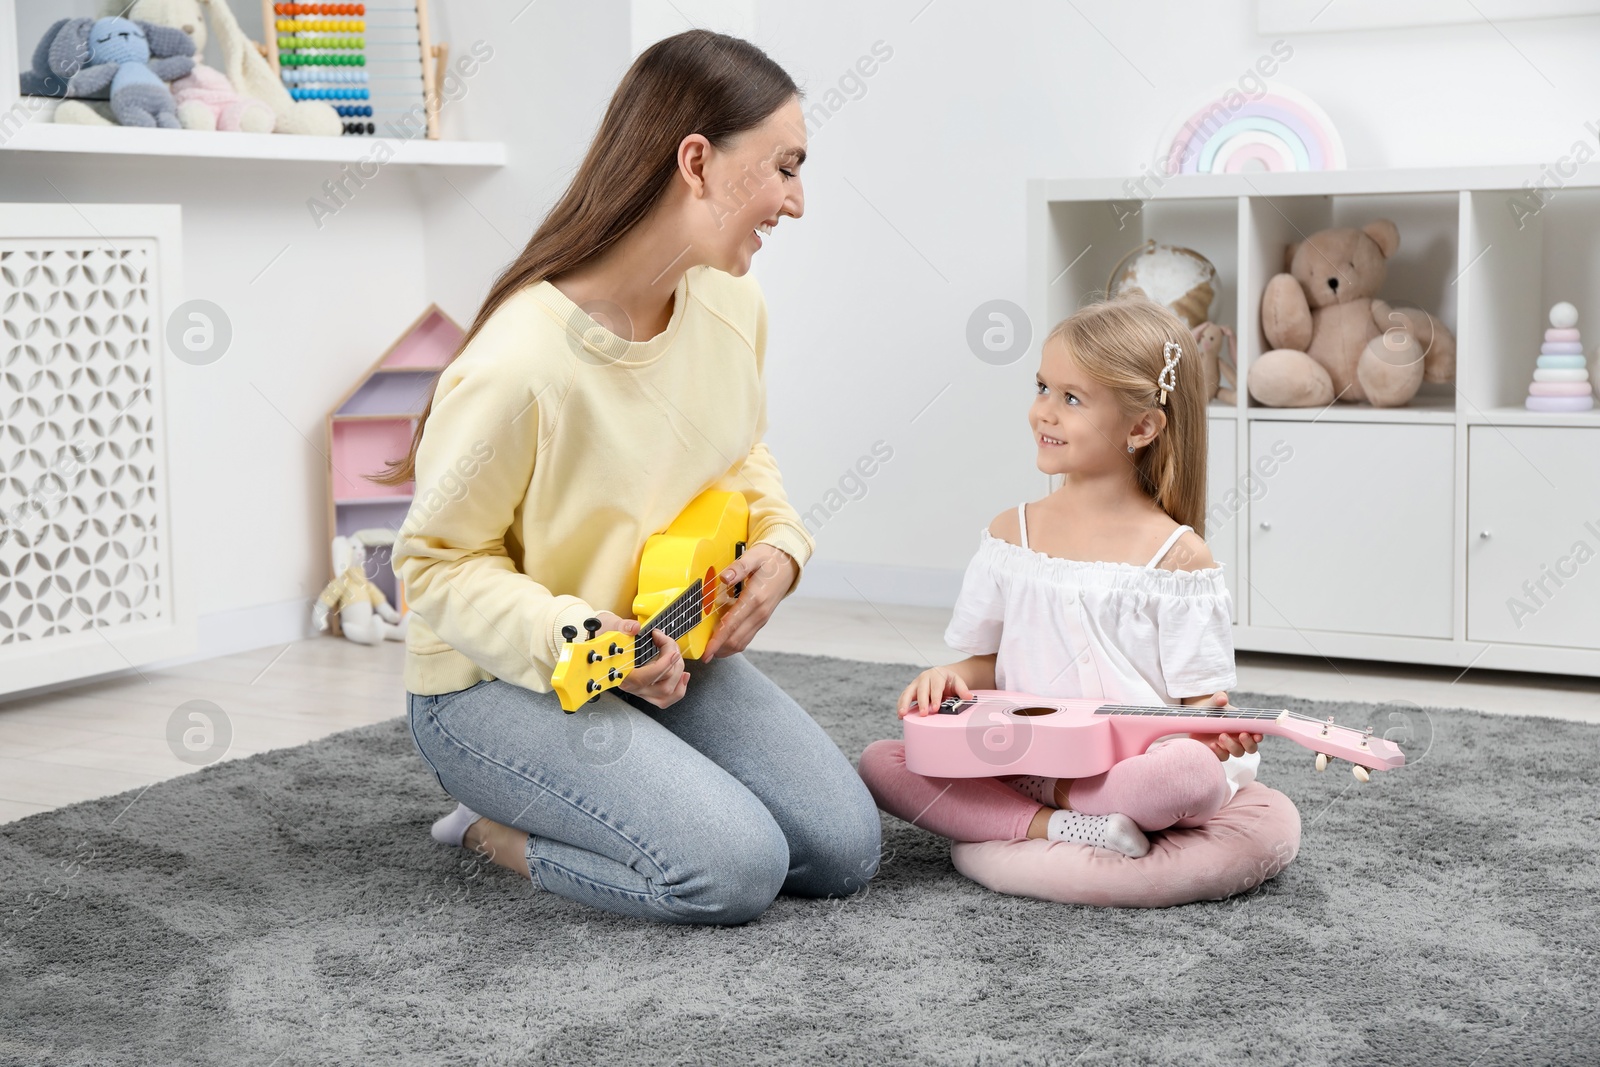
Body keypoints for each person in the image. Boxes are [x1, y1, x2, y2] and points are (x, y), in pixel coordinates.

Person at [383, 30, 880, 925]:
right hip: (492, 686)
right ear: (697, 161)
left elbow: (740, 453)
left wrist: (782, 543)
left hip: (662, 647)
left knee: (844, 849)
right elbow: (432, 565)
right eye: (785, 168)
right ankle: (489, 827)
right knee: (735, 870)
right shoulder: (522, 363)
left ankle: (632, 776)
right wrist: (576, 638)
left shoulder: (732, 301)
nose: (798, 202)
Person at [858, 295, 1262, 860]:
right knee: (883, 762)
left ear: (1142, 426)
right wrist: (948, 675)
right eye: (1042, 387)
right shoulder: (1011, 536)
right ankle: (1065, 824)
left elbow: (1200, 704)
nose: (1044, 411)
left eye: (1071, 398)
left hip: (1127, 764)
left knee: (1188, 776)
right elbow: (987, 664)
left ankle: (1040, 807)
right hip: (1019, 753)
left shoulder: (1178, 559)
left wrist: (1214, 734)